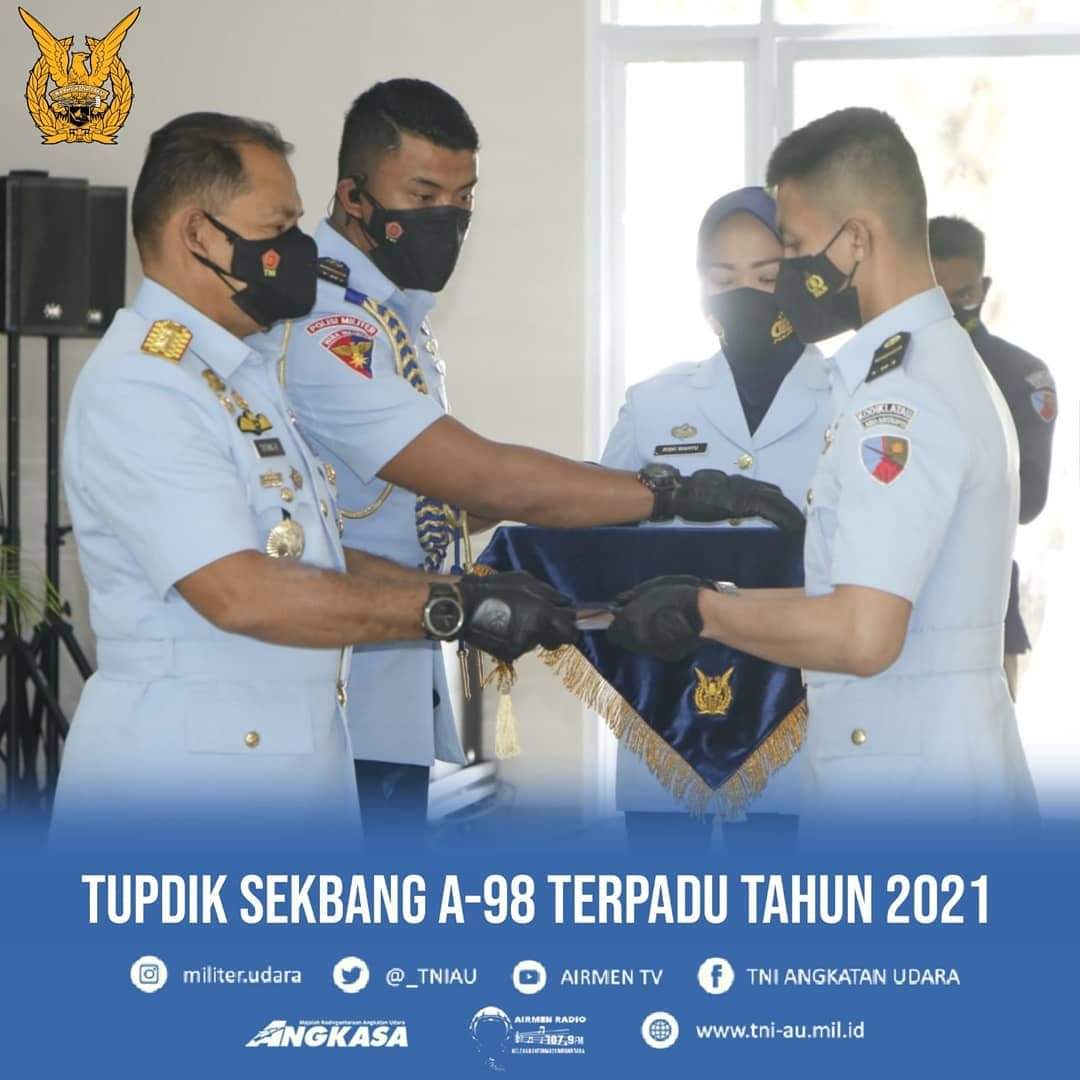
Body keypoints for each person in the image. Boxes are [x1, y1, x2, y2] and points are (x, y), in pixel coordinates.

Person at [249, 79, 803, 846]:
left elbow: (438, 503)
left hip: (387, 685)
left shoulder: (391, 319)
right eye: (423, 194)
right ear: (353, 197)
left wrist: (553, 528)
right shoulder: (325, 324)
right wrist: (669, 493)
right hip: (333, 678)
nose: (449, 217)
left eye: (463, 197)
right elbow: (479, 476)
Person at [53, 112, 580, 831]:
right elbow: (240, 592)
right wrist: (447, 610)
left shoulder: (241, 372)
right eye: (279, 226)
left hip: (282, 778)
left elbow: (312, 558)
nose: (299, 247)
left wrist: (463, 592)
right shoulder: (145, 386)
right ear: (198, 234)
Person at [606, 108, 1037, 825]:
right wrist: (709, 598)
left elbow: (863, 633)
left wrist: (704, 612)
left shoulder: (900, 401)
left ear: (856, 240)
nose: (785, 278)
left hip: (906, 788)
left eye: (796, 247)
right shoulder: (931, 366)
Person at [600, 186, 832, 848]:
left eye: (767, 277)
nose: (745, 295)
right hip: (671, 697)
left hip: (801, 698)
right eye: (723, 279)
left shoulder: (850, 398)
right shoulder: (655, 401)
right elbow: (602, 528)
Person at [929, 215, 1056, 699]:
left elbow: (1030, 497)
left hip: (985, 605)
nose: (950, 310)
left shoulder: (1020, 375)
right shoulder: (873, 369)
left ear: (983, 288)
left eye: (963, 295)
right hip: (883, 603)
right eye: (934, 296)